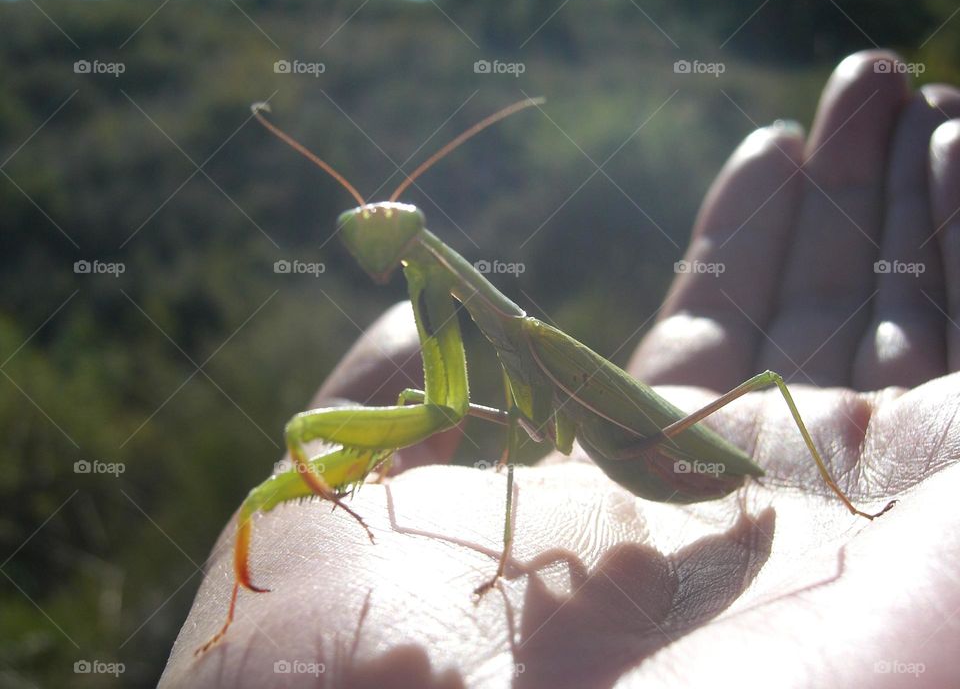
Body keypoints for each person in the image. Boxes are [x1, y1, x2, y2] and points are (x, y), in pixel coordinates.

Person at [160, 50, 960, 688]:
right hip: (628, 472)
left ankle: (851, 514)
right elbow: (451, 411)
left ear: (413, 239)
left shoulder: (516, 334)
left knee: (769, 383)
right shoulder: (454, 308)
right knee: (424, 402)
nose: (372, 243)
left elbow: (485, 435)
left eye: (387, 230)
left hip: (664, 458)